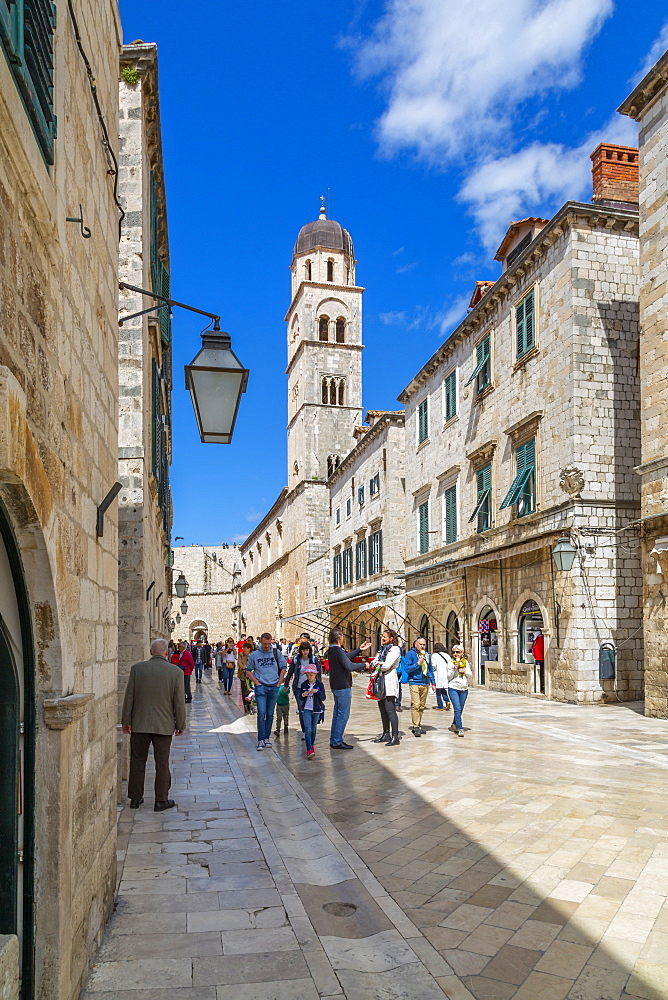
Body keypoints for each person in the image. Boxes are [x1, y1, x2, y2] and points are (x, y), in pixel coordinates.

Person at [121, 638, 186, 811]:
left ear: (151, 652)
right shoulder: (175, 672)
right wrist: (180, 723)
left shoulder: (137, 669)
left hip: (140, 723)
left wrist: (126, 721)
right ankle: (161, 800)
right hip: (164, 725)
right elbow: (179, 702)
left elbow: (129, 698)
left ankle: (135, 798)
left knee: (137, 761)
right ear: (167, 653)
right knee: (162, 762)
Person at [326, 628, 370, 750]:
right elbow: (349, 665)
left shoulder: (332, 650)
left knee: (337, 714)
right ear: (339, 637)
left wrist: (359, 650)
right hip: (343, 686)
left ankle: (334, 739)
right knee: (343, 715)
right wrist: (364, 665)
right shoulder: (338, 651)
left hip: (335, 685)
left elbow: (346, 657)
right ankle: (337, 741)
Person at [245, 633, 287, 750]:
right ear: (260, 642)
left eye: (269, 644)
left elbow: (284, 667)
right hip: (261, 687)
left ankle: (267, 738)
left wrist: (279, 683)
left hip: (273, 686)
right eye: (264, 644)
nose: (267, 646)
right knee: (261, 712)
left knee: (269, 713)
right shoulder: (255, 655)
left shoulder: (276, 653)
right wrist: (257, 683)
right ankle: (260, 739)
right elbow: (248, 671)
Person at [370, 628, 402, 747]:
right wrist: (378, 664)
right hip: (380, 681)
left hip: (389, 681)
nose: (382, 638)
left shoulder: (395, 649)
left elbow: (387, 666)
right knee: (382, 710)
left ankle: (395, 736)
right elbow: (373, 662)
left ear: (391, 638)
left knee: (390, 709)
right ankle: (386, 733)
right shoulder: (382, 650)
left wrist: (379, 664)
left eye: (384, 637)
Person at [285, 639, 321, 739]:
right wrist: (286, 684)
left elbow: (319, 673)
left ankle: (311, 729)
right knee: (302, 710)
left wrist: (319, 686)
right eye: (303, 650)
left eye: (307, 650)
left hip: (312, 688)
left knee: (312, 708)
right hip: (299, 688)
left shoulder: (313, 660)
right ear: (300, 651)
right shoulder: (296, 660)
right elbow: (290, 672)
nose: (305, 652)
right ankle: (305, 730)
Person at [404, 636, 435, 737]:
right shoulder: (410, 654)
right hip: (414, 682)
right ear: (415, 644)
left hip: (425, 682)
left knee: (421, 706)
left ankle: (417, 725)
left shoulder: (427, 655)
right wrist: (417, 664)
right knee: (416, 705)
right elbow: (407, 669)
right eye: (420, 644)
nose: (422, 646)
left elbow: (430, 669)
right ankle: (416, 726)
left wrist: (433, 683)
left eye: (424, 644)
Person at [299, 665, 326, 757]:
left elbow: (323, 697)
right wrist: (303, 694)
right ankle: (309, 749)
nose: (309, 677)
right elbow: (300, 697)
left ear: (315, 674)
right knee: (308, 729)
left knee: (313, 729)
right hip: (306, 709)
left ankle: (312, 745)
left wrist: (317, 692)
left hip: (316, 709)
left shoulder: (320, 684)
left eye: (311, 675)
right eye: (307, 675)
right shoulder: (304, 685)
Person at [447, 644, 472, 737]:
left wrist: (464, 671)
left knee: (460, 709)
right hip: (453, 687)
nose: (455, 654)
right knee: (457, 708)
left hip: (464, 688)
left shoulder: (465, 662)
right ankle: (460, 728)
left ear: (462, 653)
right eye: (454, 652)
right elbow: (448, 677)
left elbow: (470, 675)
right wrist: (454, 669)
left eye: (458, 652)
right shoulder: (450, 662)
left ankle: (454, 723)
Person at [431, 642, 452, 712]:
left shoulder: (434, 656)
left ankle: (440, 706)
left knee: (438, 691)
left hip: (437, 675)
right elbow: (450, 666)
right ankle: (447, 701)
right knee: (443, 690)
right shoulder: (447, 655)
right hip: (445, 675)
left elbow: (433, 666)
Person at [237, 639, 254, 710]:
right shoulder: (241, 655)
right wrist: (244, 667)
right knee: (244, 690)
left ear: (249, 649)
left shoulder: (253, 655)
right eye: (243, 648)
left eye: (245, 648)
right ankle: (245, 705)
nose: (244, 649)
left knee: (251, 689)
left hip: (252, 675)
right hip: (243, 674)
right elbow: (239, 663)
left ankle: (251, 703)